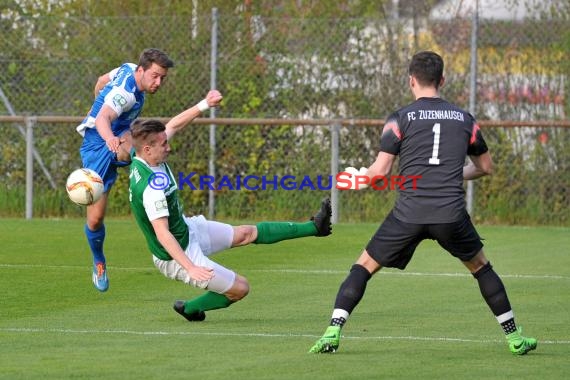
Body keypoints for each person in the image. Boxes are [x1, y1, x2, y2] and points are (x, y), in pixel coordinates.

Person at [309, 51, 537, 355]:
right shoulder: (466, 120)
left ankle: (332, 331)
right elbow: (485, 167)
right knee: (481, 267)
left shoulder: (400, 118)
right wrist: (454, 176)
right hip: (450, 214)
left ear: (410, 80)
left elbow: (380, 173)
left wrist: (357, 178)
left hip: (409, 214)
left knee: (363, 266)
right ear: (442, 80)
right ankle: (514, 338)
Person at [128, 108, 332, 322]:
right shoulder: (151, 188)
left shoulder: (143, 153)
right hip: (176, 254)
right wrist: (190, 267)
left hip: (186, 229)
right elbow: (162, 233)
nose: (169, 147)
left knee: (246, 233)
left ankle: (315, 227)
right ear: (148, 149)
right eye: (164, 145)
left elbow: (174, 125)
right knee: (240, 288)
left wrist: (205, 103)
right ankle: (190, 308)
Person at [76, 48, 174, 292]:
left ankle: (152, 195)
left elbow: (101, 81)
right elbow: (101, 119)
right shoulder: (126, 95)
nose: (158, 82)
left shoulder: (128, 68)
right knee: (95, 219)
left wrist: (98, 101)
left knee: (141, 145)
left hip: (121, 133)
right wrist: (108, 135)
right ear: (141, 70)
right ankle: (98, 260)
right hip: (97, 144)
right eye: (155, 76)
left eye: (162, 77)